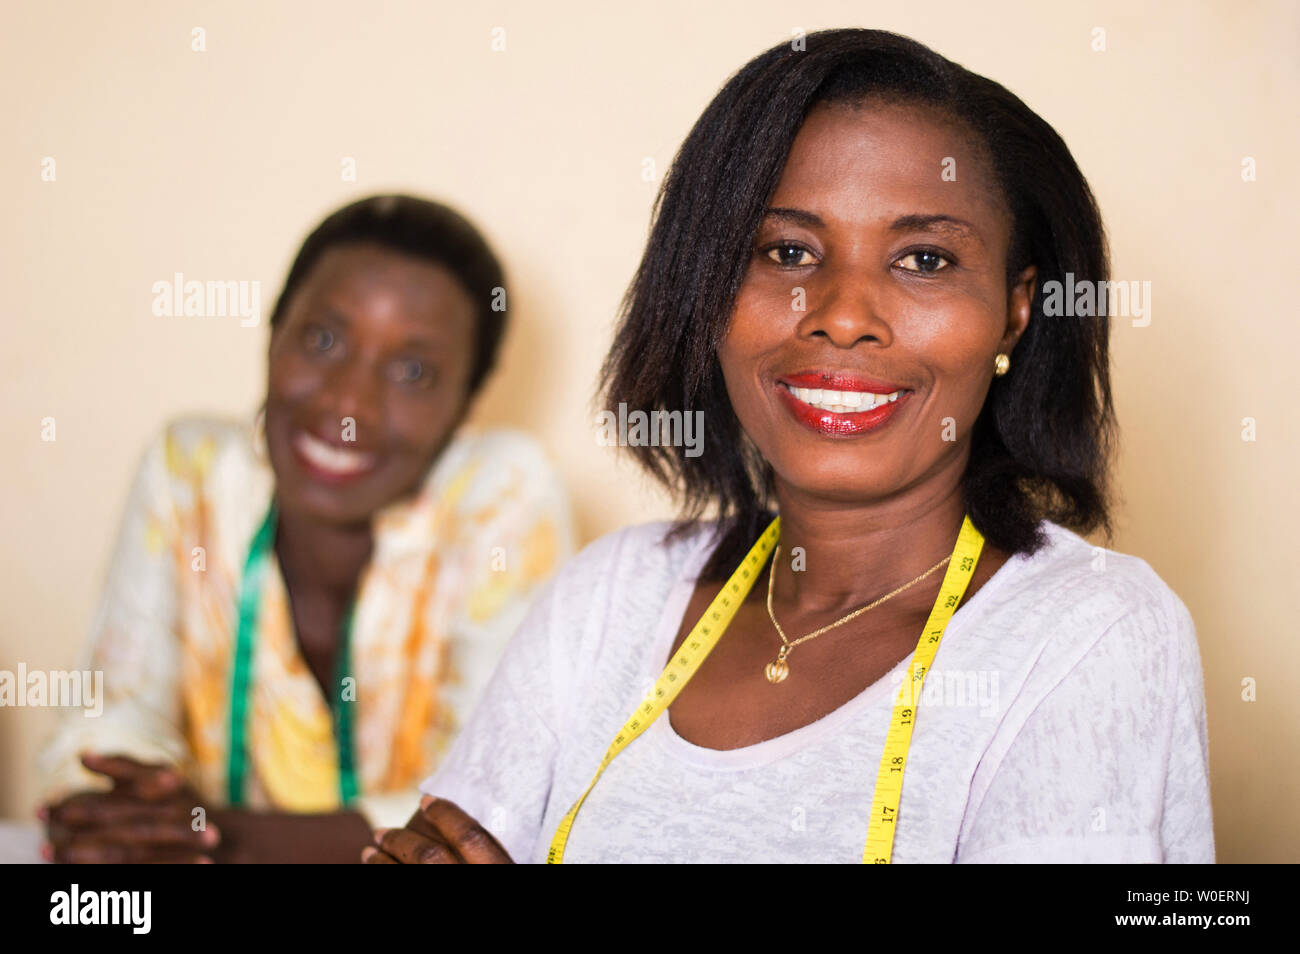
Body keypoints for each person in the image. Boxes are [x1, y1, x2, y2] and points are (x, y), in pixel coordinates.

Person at [365, 29, 1213, 864]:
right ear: (708, 288)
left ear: (1015, 310)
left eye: (923, 258)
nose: (843, 314)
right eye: (787, 251)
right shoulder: (608, 600)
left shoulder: (1086, 634)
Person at [39, 194, 575, 863]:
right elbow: (111, 716)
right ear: (273, 330)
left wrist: (210, 838)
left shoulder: (502, 492)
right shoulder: (191, 470)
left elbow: (496, 801)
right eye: (322, 339)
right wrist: (121, 813)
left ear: (465, 401)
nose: (347, 402)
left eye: (414, 371)